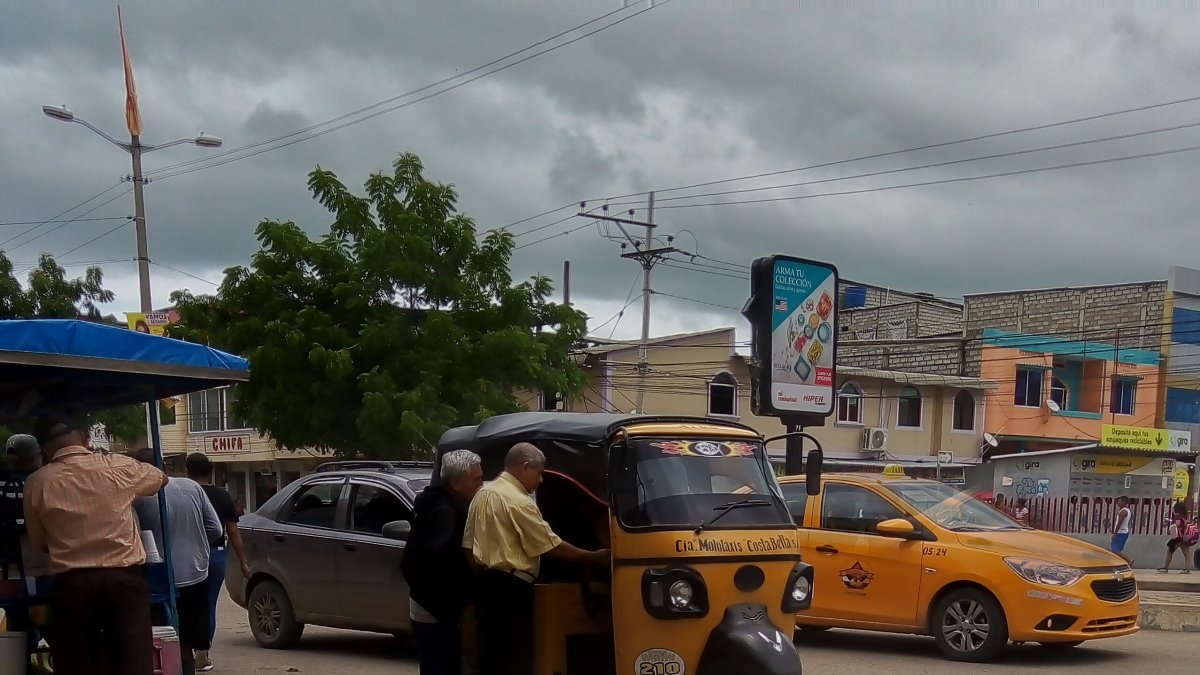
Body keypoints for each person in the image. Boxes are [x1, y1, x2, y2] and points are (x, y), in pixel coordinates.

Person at [22, 414, 167, 675]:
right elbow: (160, 478)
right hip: (123, 580)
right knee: (132, 659)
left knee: (77, 661)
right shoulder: (118, 466)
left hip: (72, 584)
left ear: (44, 448)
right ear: (85, 439)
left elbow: (40, 542)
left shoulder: (36, 482)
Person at [464, 442, 609, 675]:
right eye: (539, 472)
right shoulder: (519, 502)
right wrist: (593, 556)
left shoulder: (482, 495)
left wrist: (485, 578)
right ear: (525, 467)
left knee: (490, 656)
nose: (541, 480)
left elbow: (469, 550)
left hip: (487, 585)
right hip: (513, 587)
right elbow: (552, 547)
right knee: (516, 656)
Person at [132, 449, 223, 675]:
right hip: (196, 572)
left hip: (157, 579)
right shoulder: (192, 487)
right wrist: (197, 547)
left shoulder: (137, 498)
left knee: (160, 638)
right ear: (164, 468)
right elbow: (216, 529)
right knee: (186, 642)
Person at [401, 449, 484, 675]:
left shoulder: (440, 504)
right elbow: (438, 559)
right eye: (476, 480)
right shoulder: (446, 513)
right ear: (456, 483)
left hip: (429, 605)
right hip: (435, 609)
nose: (481, 485)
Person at [183, 452, 251, 672]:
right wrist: (243, 562)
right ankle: (202, 652)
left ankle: (183, 650)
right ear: (210, 470)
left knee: (183, 604)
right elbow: (233, 532)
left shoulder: (182, 493)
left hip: (187, 555)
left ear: (187, 471)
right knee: (208, 604)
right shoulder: (222, 496)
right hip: (216, 554)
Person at [1159, 503, 1193, 574]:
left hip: (1178, 538)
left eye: (1173, 508)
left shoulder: (1177, 516)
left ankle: (1165, 568)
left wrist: (1171, 528)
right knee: (1186, 553)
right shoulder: (1185, 516)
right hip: (1185, 537)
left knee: (1170, 551)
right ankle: (1187, 569)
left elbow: (1177, 525)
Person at [1110, 496, 1133, 565]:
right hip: (1123, 532)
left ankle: (1129, 560)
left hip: (1121, 533)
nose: (1118, 503)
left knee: (1115, 550)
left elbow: (1119, 523)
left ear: (1124, 502)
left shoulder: (1123, 511)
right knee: (1117, 550)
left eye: (1119, 501)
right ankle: (1120, 563)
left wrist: (1115, 533)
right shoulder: (1127, 510)